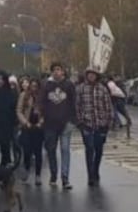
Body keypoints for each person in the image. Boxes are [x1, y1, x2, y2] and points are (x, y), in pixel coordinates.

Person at [77, 68, 114, 187]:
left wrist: (109, 121)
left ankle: (96, 169)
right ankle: (90, 175)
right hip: (87, 124)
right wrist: (80, 122)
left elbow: (108, 105)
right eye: (89, 74)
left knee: (99, 149)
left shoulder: (102, 89)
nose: (91, 76)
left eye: (94, 74)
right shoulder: (81, 88)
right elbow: (77, 106)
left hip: (101, 124)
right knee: (89, 148)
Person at [42, 62, 77, 190]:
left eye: (59, 69)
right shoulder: (46, 85)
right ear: (51, 72)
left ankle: (65, 177)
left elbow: (74, 103)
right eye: (54, 70)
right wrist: (43, 117)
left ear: (62, 71)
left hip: (66, 123)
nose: (57, 72)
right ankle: (53, 174)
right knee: (51, 149)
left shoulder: (69, 85)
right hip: (50, 124)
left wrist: (73, 120)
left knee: (65, 149)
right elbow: (42, 103)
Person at [17, 78, 45, 186]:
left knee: (38, 152)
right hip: (27, 126)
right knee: (27, 150)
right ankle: (27, 169)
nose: (34, 88)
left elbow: (45, 111)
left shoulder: (42, 96)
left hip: (38, 127)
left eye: (36, 86)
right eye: (32, 86)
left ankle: (38, 175)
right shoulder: (24, 95)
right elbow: (19, 110)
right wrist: (25, 122)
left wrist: (41, 122)